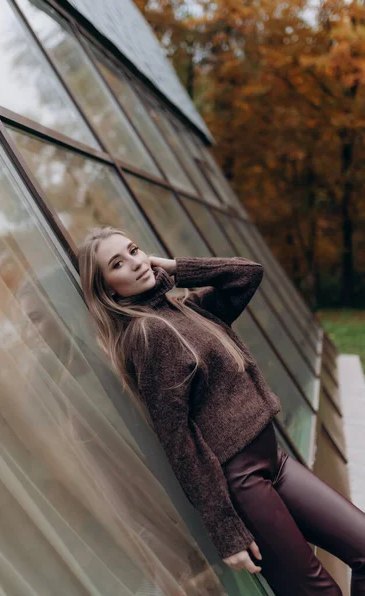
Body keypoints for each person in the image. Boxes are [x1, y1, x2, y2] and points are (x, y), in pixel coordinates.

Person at [78, 224, 365, 596]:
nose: (135, 263)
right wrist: (226, 531)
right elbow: (177, 439)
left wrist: (172, 266)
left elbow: (247, 274)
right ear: (106, 288)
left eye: (134, 250)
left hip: (273, 463)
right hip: (241, 483)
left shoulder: (189, 309)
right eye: (117, 263)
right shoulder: (150, 335)